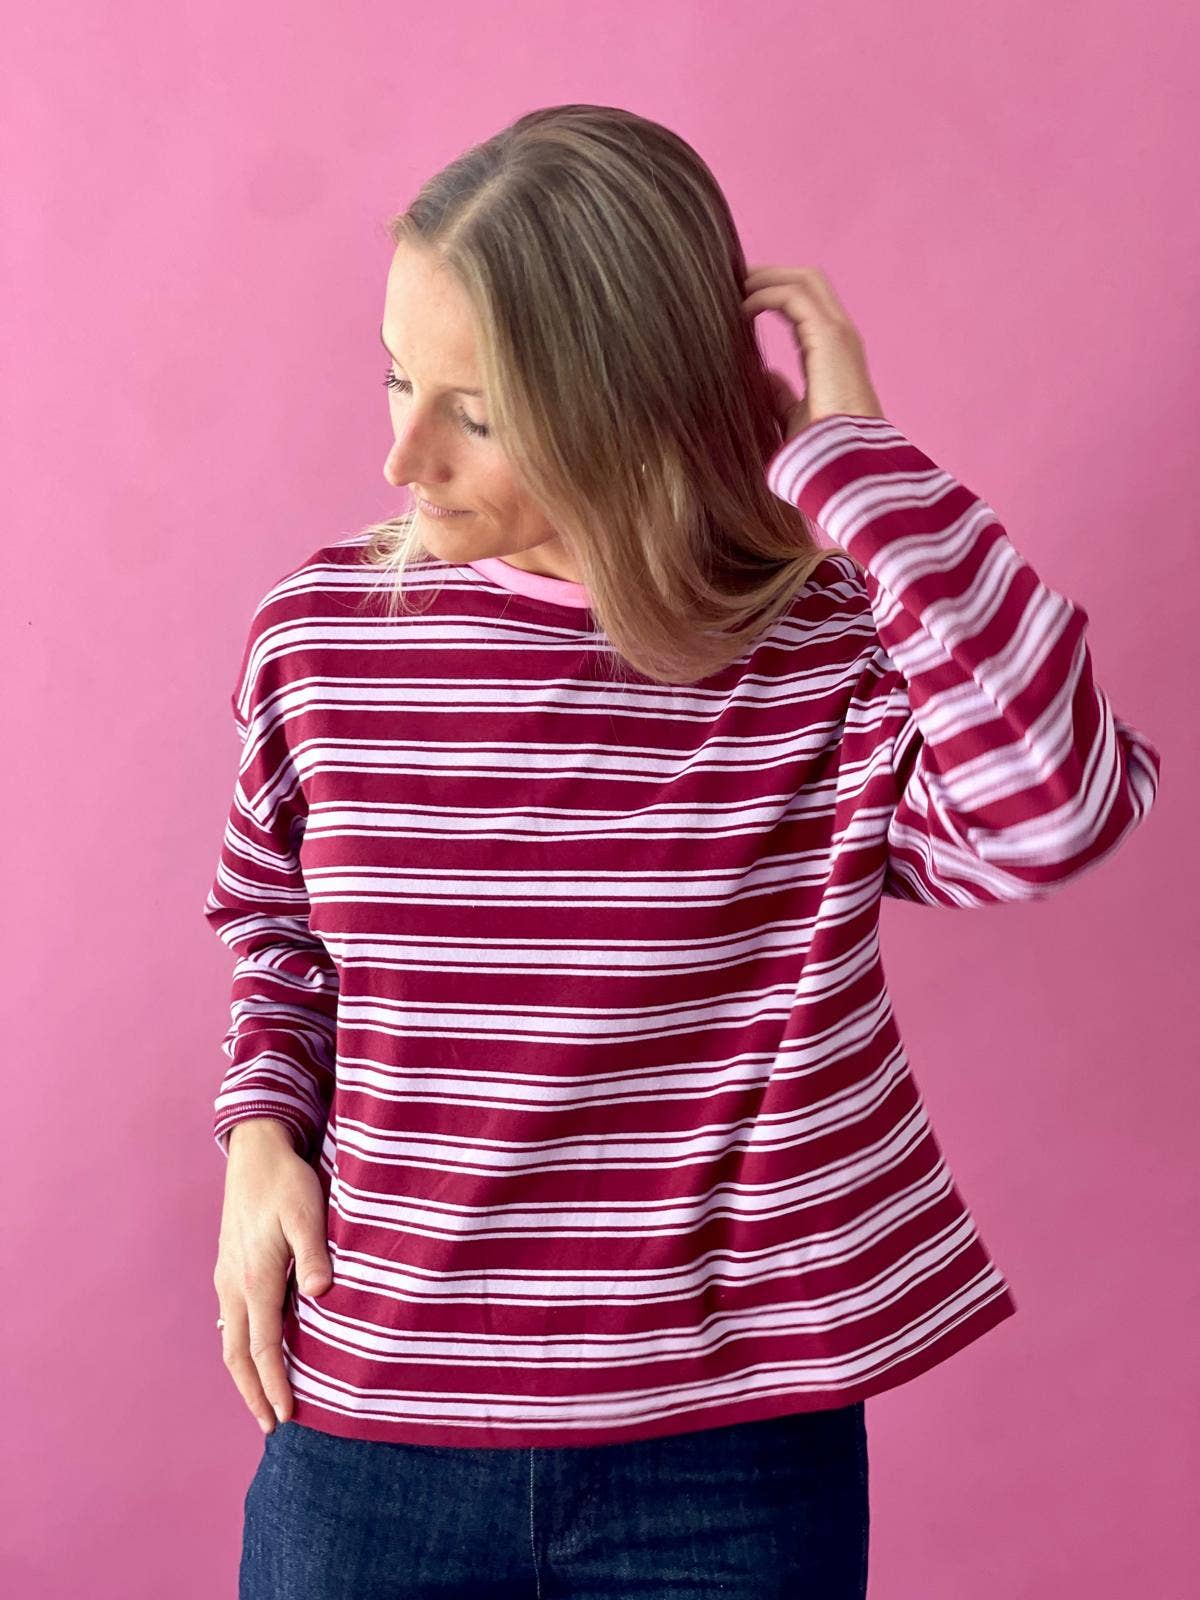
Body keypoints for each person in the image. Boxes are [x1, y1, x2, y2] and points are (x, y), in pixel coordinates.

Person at [206, 104, 1162, 1600]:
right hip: (369, 1438)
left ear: (630, 402)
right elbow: (279, 933)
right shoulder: (322, 639)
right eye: (398, 377)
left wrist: (859, 468)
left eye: (477, 413)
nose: (401, 454)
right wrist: (261, 1136)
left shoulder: (828, 656)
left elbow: (1054, 805)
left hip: (729, 1464)